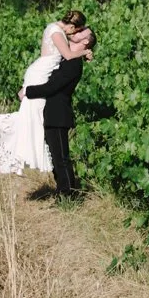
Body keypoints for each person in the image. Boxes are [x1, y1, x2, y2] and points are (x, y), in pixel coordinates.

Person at [0, 11, 92, 176]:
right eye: (77, 30)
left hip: (40, 73)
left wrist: (85, 50)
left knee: (31, 117)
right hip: (40, 74)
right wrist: (85, 52)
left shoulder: (57, 30)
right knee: (32, 118)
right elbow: (67, 55)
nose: (75, 34)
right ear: (72, 26)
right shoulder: (58, 32)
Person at [21, 27, 94, 198]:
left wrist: (27, 92)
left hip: (59, 114)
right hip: (52, 113)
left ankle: (69, 195)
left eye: (82, 32)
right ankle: (62, 192)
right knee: (56, 157)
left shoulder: (74, 63)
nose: (77, 31)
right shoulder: (66, 57)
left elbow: (52, 86)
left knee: (61, 157)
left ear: (85, 41)